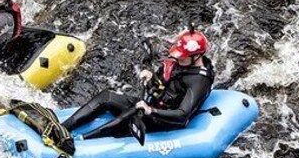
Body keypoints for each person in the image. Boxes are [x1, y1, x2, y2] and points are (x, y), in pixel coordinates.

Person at [60, 27, 215, 141]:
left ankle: (80, 141)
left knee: (129, 116)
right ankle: (63, 127)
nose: (178, 59)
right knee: (107, 97)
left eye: (183, 57)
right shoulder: (180, 63)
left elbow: (182, 115)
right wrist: (151, 78)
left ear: (197, 55)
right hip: (151, 107)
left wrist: (151, 111)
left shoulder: (199, 81)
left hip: (164, 119)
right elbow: (163, 85)